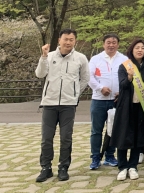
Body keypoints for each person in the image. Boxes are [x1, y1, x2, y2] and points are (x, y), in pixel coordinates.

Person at [35, 29, 89, 183]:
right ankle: (46, 168)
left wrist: (74, 94)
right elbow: (40, 74)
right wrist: (43, 57)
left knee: (66, 137)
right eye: (66, 39)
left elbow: (85, 78)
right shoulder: (49, 56)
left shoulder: (80, 58)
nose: (68, 42)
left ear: (75, 41)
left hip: (68, 105)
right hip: (49, 103)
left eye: (71, 39)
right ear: (59, 40)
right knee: (46, 138)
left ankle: (63, 167)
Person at [110, 39, 144, 181]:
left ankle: (133, 166)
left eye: (142, 48)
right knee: (123, 135)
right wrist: (129, 76)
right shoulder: (124, 66)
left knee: (138, 136)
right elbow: (122, 86)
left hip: (141, 107)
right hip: (125, 107)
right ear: (132, 50)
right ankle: (122, 167)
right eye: (137, 48)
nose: (140, 50)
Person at [88, 34, 127, 169]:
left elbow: (129, 77)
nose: (111, 45)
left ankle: (110, 156)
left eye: (114, 42)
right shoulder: (95, 59)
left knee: (113, 130)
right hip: (98, 100)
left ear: (118, 44)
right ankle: (95, 157)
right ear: (103, 44)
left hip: (116, 100)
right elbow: (89, 77)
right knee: (96, 130)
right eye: (108, 42)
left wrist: (122, 92)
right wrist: (100, 88)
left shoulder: (124, 59)